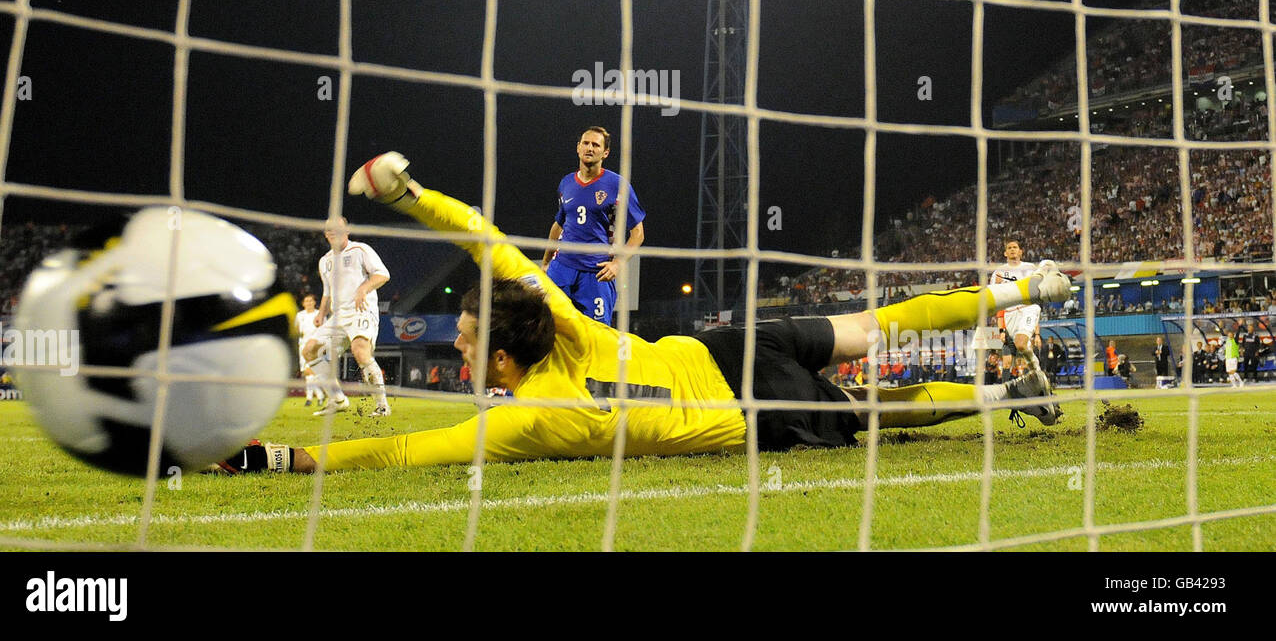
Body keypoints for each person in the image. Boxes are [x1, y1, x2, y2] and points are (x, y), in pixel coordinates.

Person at [220, 152, 1070, 474]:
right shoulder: (564, 322)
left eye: (467, 342)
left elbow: (410, 448)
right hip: (729, 351)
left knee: (880, 414)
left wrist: (282, 459)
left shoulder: (531, 420)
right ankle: (1023, 287)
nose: (461, 346)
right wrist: (407, 193)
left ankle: (1007, 397)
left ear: (501, 367)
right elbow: (485, 236)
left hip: (748, 413)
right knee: (880, 326)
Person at [540, 127, 645, 325]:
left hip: (595, 274)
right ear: (578, 148)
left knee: (596, 336)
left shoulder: (617, 185)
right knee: (547, 328)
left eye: (596, 145)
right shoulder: (566, 183)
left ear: (605, 153)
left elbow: (638, 233)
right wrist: (546, 263)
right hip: (562, 268)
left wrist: (617, 263)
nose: (590, 148)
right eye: (585, 143)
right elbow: (559, 224)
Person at [302, 216, 391, 416]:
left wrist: (364, 288)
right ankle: (338, 400)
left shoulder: (360, 250)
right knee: (309, 350)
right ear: (326, 234)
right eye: (328, 229)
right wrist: (321, 314)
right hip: (338, 316)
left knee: (360, 350)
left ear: (347, 231)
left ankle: (382, 406)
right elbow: (327, 292)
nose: (332, 231)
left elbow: (383, 274)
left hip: (361, 310)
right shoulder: (324, 261)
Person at [989, 238, 1043, 360]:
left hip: (1028, 308)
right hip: (1010, 313)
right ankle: (1036, 370)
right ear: (1005, 253)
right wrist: (996, 285)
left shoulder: (1030, 268)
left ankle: (1036, 372)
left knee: (1022, 342)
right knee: (1021, 347)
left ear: (1020, 252)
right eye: (1009, 248)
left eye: (1015, 247)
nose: (1012, 250)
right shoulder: (999, 272)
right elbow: (994, 295)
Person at [296, 292, 327, 408]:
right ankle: (318, 396)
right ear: (303, 304)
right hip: (303, 346)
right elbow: (297, 331)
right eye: (306, 301)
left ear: (315, 302)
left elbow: (324, 331)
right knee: (307, 373)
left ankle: (310, 398)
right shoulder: (300, 316)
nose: (309, 303)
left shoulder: (319, 315)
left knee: (313, 372)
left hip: (315, 346)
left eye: (311, 300)